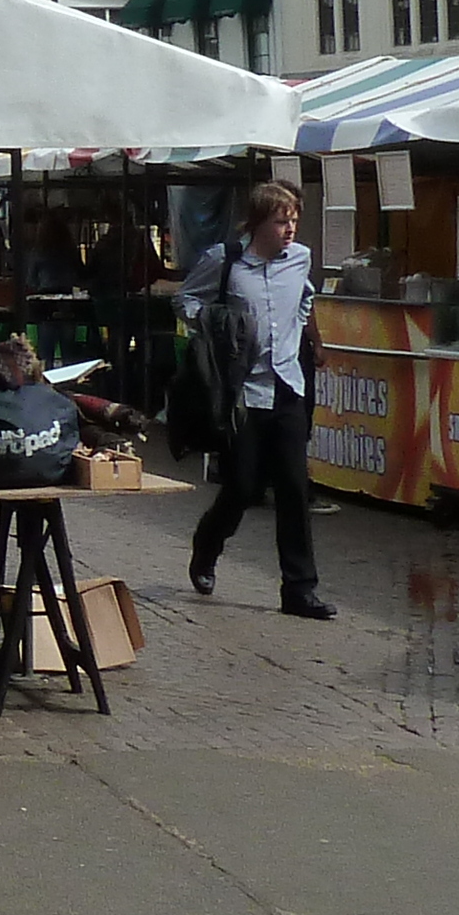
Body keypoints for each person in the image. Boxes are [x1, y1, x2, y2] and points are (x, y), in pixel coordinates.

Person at [177, 180, 333, 621]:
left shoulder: (300, 259)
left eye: (294, 221)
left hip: (287, 386)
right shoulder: (225, 262)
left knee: (293, 488)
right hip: (244, 393)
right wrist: (213, 322)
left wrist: (298, 338)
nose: (290, 230)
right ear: (260, 221)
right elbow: (185, 299)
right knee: (243, 486)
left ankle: (300, 588)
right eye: (282, 221)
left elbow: (305, 300)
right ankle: (207, 546)